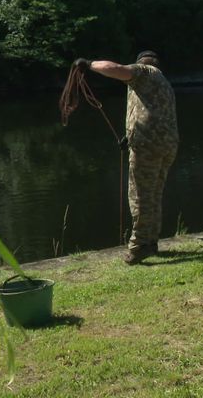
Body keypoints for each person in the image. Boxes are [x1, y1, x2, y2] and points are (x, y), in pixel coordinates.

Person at [74, 51, 179, 264]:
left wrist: (89, 63)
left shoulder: (144, 72)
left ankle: (139, 246)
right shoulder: (163, 82)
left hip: (148, 145)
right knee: (154, 194)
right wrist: (130, 136)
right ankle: (150, 242)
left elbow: (117, 70)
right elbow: (150, 113)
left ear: (142, 63)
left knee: (139, 195)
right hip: (167, 144)